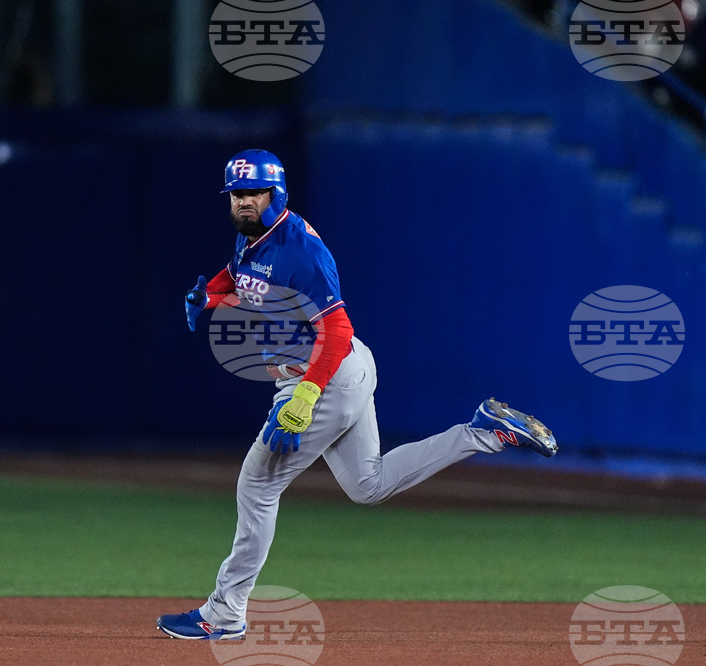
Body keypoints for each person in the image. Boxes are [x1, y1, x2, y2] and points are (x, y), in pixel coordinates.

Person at [156, 149, 558, 640]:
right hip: (338, 373)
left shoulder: (299, 250)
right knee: (367, 485)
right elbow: (241, 277)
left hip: (326, 374)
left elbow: (337, 329)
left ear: (275, 193)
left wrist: (303, 399)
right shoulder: (255, 237)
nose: (242, 202)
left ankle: (224, 614)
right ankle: (485, 433)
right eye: (236, 194)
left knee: (258, 487)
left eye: (252, 193)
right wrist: (211, 296)